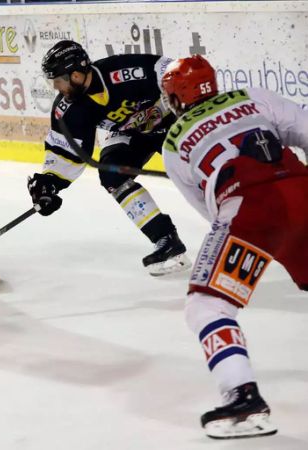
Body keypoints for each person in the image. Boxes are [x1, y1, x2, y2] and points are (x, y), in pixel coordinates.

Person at [161, 55, 308, 439]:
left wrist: (264, 236)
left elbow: (210, 210)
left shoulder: (174, 142)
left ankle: (243, 397)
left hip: (248, 209)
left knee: (207, 305)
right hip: (303, 188)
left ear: (176, 98)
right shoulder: (251, 95)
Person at [29, 40, 190, 276]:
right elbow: (66, 152)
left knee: (199, 167)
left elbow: (172, 70)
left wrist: (186, 107)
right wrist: (49, 183)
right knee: (111, 175)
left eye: (60, 80)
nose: (56, 87)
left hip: (171, 120)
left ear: (76, 74)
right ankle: (166, 240)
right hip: (128, 133)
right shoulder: (69, 108)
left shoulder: (120, 71)